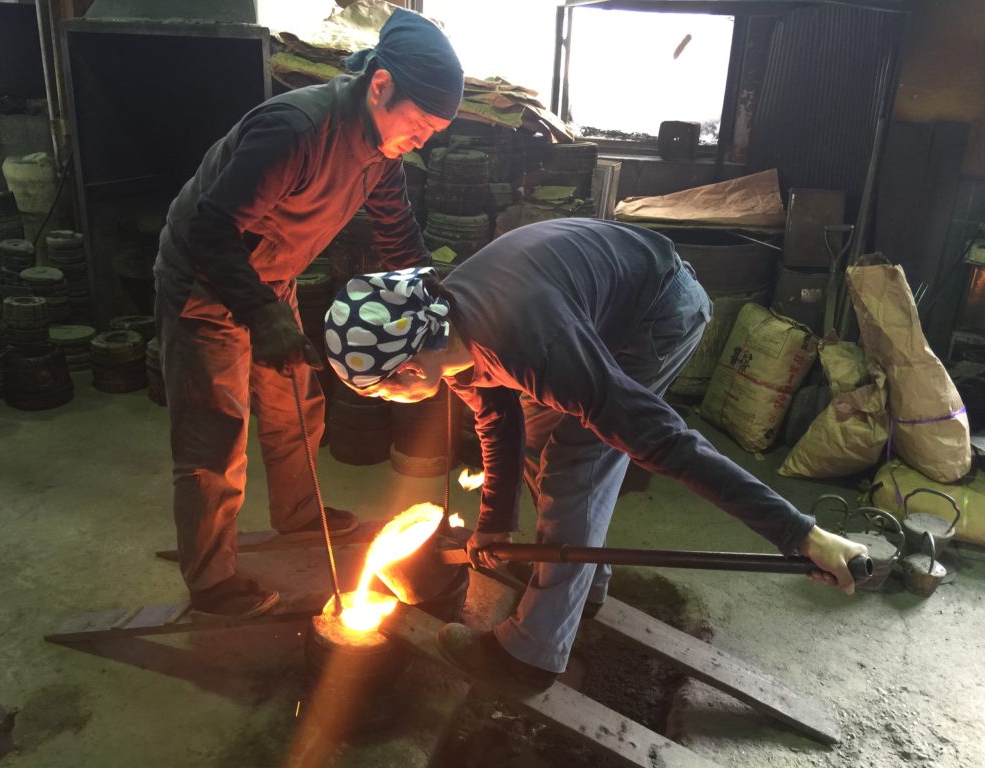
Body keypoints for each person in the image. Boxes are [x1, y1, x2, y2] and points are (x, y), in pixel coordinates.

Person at [322, 217, 869, 689]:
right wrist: (494, 522)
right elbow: (498, 416)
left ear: (412, 368)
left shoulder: (526, 340)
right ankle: (584, 585)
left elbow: (662, 439)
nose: (386, 401)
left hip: (658, 309)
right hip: (594, 303)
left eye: (381, 390)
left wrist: (798, 533)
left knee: (577, 461)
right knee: (539, 442)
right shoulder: (444, 325)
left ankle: (531, 655)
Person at [153, 9, 463, 618]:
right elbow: (210, 231)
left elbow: (397, 230)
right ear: (380, 87)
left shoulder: (380, 149)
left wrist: (438, 295)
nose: (422, 139)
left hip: (273, 274)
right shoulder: (295, 130)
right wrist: (262, 315)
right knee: (216, 432)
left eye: (433, 132)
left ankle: (296, 516)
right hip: (206, 279)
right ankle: (212, 583)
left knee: (295, 400)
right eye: (420, 124)